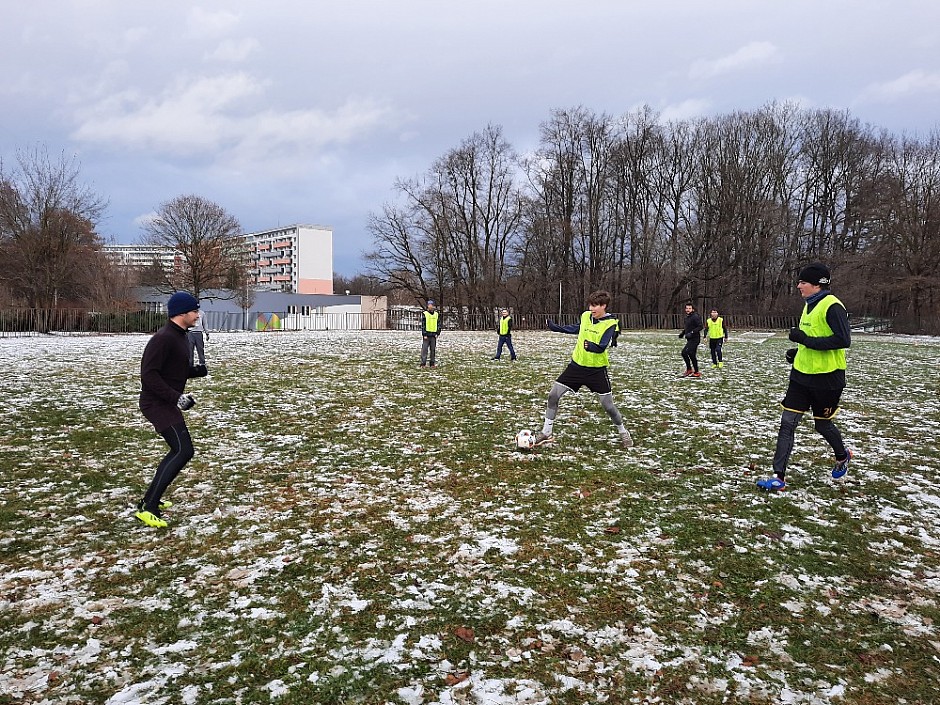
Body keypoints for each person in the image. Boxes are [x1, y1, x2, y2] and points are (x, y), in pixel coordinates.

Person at [757, 263, 853, 491]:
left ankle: (842, 456)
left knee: (822, 425)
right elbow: (813, 337)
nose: (798, 286)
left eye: (803, 282)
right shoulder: (809, 305)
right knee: (787, 422)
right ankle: (778, 477)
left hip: (827, 380)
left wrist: (804, 341)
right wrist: (798, 352)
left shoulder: (833, 306)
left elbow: (843, 341)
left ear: (818, 284)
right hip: (801, 377)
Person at [135, 291, 208, 528]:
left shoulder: (180, 336)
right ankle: (149, 507)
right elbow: (149, 375)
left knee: (180, 450)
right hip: (155, 403)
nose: (198, 315)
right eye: (195, 311)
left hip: (166, 401)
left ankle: (150, 498)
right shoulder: (163, 338)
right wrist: (176, 398)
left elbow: (174, 369)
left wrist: (196, 371)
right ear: (182, 313)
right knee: (183, 450)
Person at [534, 290, 633, 448]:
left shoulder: (611, 323)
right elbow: (576, 328)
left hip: (596, 371)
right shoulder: (586, 316)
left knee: (608, 406)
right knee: (553, 396)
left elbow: (602, 346)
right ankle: (546, 432)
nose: (591, 308)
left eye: (595, 306)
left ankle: (623, 432)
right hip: (576, 367)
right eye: (590, 305)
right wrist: (557, 328)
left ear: (604, 306)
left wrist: (592, 346)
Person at [678, 303, 703, 377]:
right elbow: (687, 327)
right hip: (689, 339)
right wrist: (683, 333)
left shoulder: (695, 316)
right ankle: (696, 372)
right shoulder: (687, 317)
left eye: (689, 308)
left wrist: (692, 333)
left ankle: (689, 369)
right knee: (692, 355)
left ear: (693, 309)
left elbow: (700, 326)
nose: (688, 310)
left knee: (684, 352)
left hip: (695, 339)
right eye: (687, 308)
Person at [419, 299, 440, 368]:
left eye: (431, 305)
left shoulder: (436, 314)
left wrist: (438, 333)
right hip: (427, 335)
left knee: (433, 350)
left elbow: (439, 324)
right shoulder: (425, 314)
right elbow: (423, 325)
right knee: (424, 350)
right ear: (428, 306)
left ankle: (432, 363)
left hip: (434, 335)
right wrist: (424, 334)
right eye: (429, 305)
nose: (430, 306)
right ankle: (423, 363)